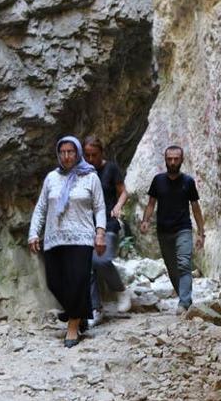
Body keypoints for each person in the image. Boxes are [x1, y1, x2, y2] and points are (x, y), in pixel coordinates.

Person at [28, 136, 107, 347]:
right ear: (58, 154)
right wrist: (33, 233)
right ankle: (80, 312)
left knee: (78, 281)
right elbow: (41, 208)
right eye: (62, 152)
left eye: (71, 151)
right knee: (54, 282)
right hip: (55, 238)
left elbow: (100, 207)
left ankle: (72, 326)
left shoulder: (90, 177)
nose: (66, 156)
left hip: (82, 237)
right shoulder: (51, 178)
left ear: (78, 152)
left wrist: (100, 233)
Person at [140, 145, 205, 314]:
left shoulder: (188, 182)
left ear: (182, 160)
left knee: (184, 264)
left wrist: (200, 233)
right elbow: (151, 203)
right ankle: (185, 299)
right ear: (165, 160)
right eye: (170, 159)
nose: (173, 162)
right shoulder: (158, 180)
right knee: (172, 268)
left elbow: (196, 208)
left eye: (176, 159)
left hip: (183, 228)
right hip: (163, 231)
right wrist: (146, 220)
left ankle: (183, 303)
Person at [83, 136, 133, 326]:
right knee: (87, 266)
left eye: (93, 155)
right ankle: (95, 309)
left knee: (100, 260)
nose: (90, 159)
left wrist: (118, 206)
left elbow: (124, 192)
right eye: (86, 155)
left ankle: (120, 290)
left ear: (101, 153)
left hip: (109, 223)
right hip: (87, 225)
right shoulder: (82, 171)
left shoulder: (110, 169)